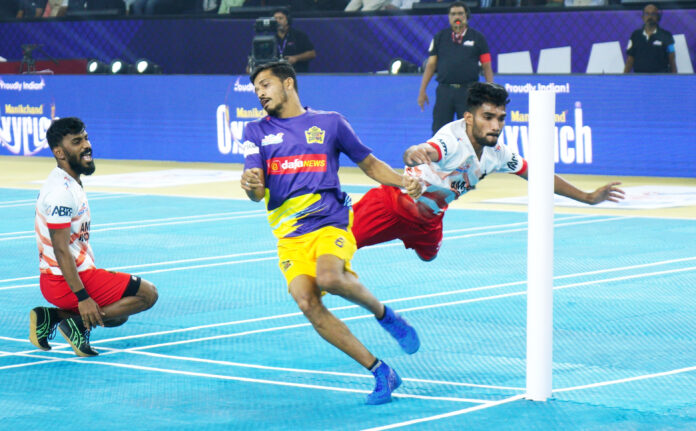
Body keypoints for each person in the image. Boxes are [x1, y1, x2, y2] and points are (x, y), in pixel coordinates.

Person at [241, 61, 421, 405]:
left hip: (329, 222)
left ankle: (385, 315)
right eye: (256, 89)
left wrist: (403, 181)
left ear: (288, 84)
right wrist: (250, 186)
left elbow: (368, 163)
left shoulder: (330, 123)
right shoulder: (255, 132)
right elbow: (254, 185)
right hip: (289, 236)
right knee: (308, 302)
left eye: (265, 85)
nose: (260, 93)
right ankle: (381, 371)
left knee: (330, 278)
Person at [353, 82, 625, 262]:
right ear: (469, 118)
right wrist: (414, 153)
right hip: (391, 205)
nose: (496, 126)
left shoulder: (497, 153)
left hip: (429, 221)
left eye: (501, 118)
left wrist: (587, 197)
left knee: (429, 257)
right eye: (488, 117)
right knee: (333, 246)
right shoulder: (451, 140)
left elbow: (538, 174)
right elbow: (427, 149)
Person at [30, 117, 158, 357]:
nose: (87, 145)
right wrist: (83, 298)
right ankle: (76, 323)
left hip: (57, 279)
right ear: (59, 152)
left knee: (118, 317)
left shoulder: (68, 181)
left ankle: (52, 317)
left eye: (86, 138)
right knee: (147, 294)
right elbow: (60, 249)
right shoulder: (62, 192)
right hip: (65, 280)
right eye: (77, 142)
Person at [418, 1, 494, 135]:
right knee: (439, 132)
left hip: (468, 91)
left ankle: (469, 156)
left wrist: (490, 92)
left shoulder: (478, 38)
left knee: (469, 132)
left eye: (460, 14)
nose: (456, 17)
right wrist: (422, 90)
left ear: (466, 16)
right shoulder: (440, 37)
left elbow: (487, 66)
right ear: (448, 17)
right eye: (453, 14)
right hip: (444, 91)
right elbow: (431, 65)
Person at [623, 3, 677, 74]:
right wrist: (624, 77)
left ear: (658, 17)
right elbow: (630, 59)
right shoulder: (635, 35)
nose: (650, 17)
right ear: (643, 17)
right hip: (639, 78)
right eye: (647, 14)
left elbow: (672, 60)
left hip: (661, 78)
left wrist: (675, 79)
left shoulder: (667, 36)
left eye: (653, 14)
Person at [270, 8, 316, 73]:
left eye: (280, 18)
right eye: (275, 19)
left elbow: (312, 54)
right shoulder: (269, 37)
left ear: (288, 20)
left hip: (297, 73)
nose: (277, 21)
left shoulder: (299, 35)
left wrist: (296, 58)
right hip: (275, 74)